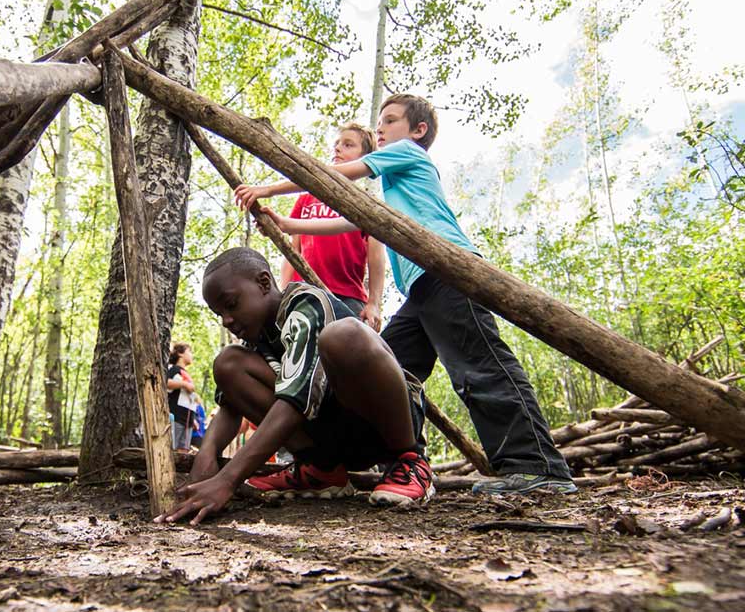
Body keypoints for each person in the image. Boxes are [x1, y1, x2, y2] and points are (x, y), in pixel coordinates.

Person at [236, 94, 576, 495]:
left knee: (479, 367)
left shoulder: (407, 152)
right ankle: (405, 463)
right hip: (422, 289)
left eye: (391, 120)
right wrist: (288, 225)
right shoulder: (393, 187)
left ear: (418, 131)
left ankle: (538, 467)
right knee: (391, 370)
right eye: (380, 122)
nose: (381, 129)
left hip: (450, 270)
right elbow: (350, 223)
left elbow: (331, 176)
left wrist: (266, 189)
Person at [155, 248, 432, 525]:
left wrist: (228, 480)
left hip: (384, 427)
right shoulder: (257, 336)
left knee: (343, 335)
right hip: (339, 440)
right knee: (229, 363)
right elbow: (230, 406)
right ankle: (321, 470)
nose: (227, 320)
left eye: (231, 304)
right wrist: (207, 455)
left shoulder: (306, 304)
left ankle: (409, 460)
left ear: (264, 284)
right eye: (219, 314)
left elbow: (294, 402)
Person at [280, 123, 385, 329]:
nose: (338, 148)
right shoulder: (307, 199)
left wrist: (374, 303)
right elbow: (293, 250)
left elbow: (376, 257)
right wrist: (282, 291)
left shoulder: (367, 204)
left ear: (365, 158)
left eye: (348, 145)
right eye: (337, 144)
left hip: (348, 297)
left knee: (344, 354)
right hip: (303, 293)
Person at [166, 342, 197, 452]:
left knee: (184, 449)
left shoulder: (186, 373)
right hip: (176, 416)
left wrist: (194, 419)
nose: (192, 355)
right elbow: (165, 383)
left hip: (187, 418)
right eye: (189, 351)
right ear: (180, 353)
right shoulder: (174, 369)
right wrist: (184, 384)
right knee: (173, 447)